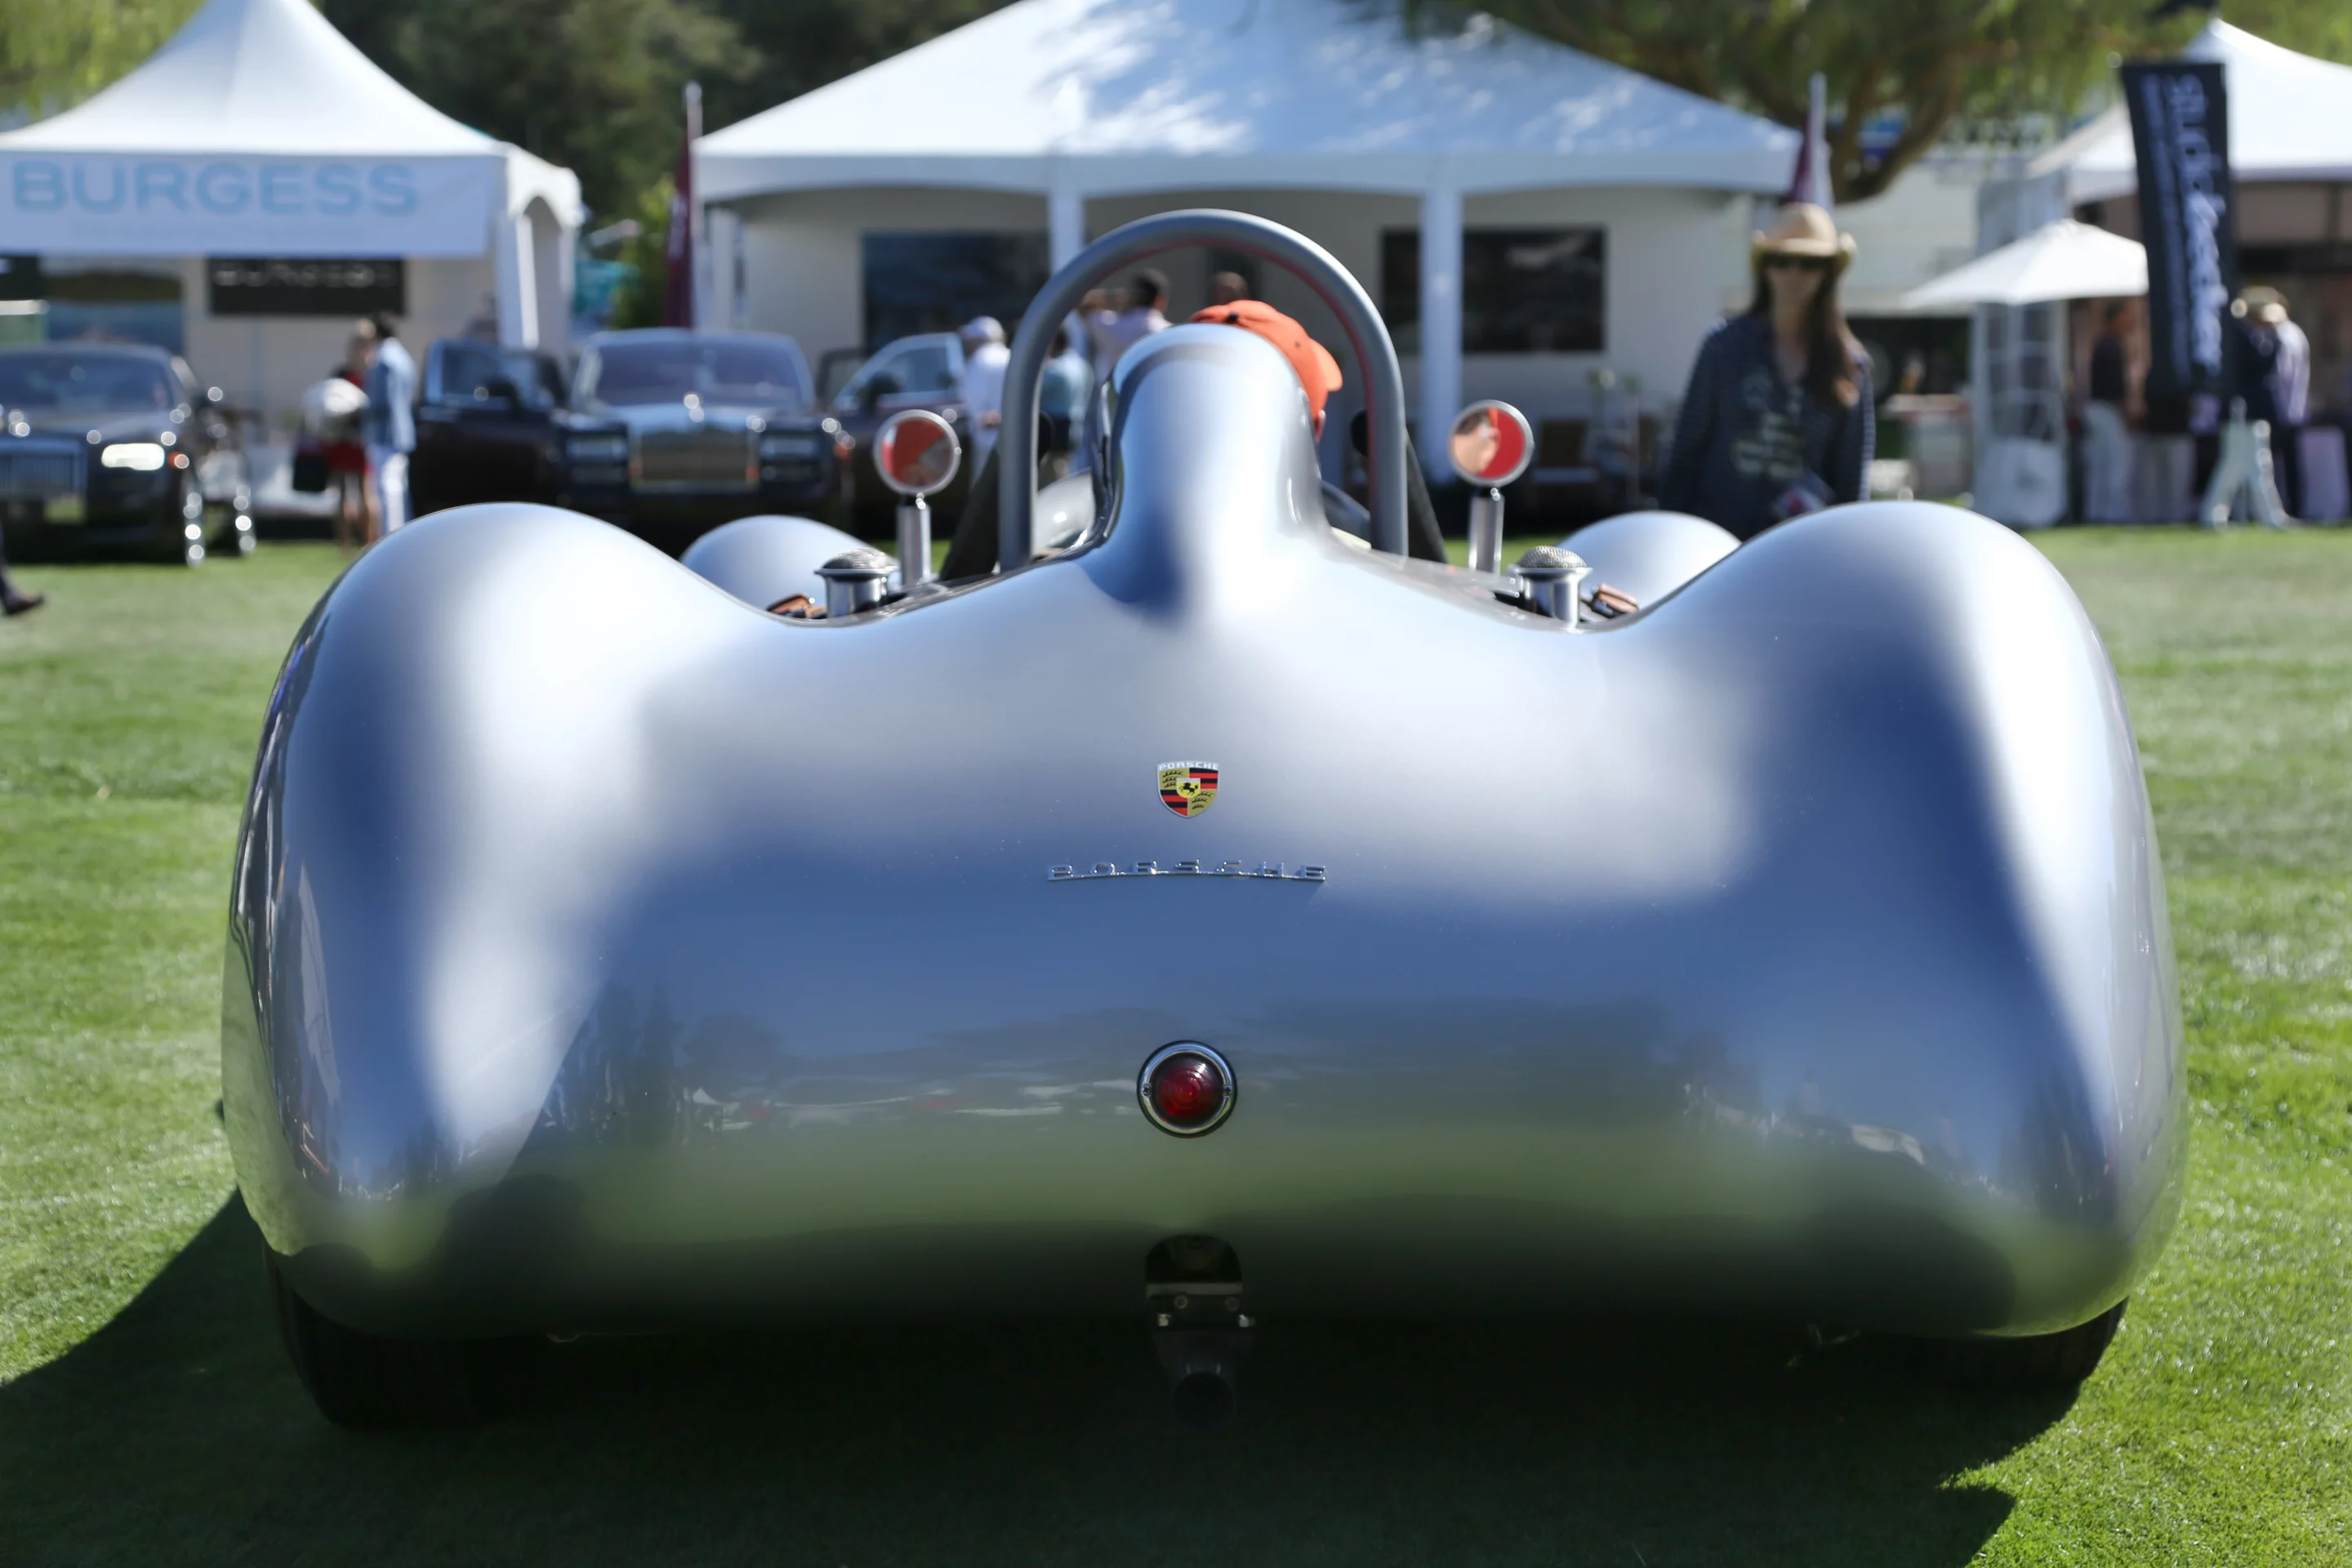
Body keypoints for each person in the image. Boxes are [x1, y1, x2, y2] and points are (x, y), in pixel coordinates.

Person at [1658, 203, 1873, 540]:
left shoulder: (1849, 364)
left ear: (1828, 272)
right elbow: (1687, 449)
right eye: (1781, 260)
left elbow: (1851, 480)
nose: (1794, 273)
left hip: (1801, 549)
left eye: (1810, 263)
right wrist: (1670, 534)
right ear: (1765, 268)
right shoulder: (1723, 347)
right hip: (1715, 543)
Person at [2241, 286, 2308, 518]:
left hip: (2283, 409)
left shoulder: (2283, 337)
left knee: (2282, 464)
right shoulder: (2287, 334)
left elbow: (2284, 375)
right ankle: (2283, 509)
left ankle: (2290, 510)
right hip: (2286, 409)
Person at [2082, 300, 2140, 523]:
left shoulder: (2103, 343)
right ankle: (2114, 512)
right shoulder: (2112, 345)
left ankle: (2096, 511)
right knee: (2117, 463)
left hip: (2097, 409)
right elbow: (2116, 388)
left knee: (2100, 464)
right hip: (2106, 409)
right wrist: (2125, 414)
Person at [361, 311, 416, 537]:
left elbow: (385, 400)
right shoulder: (402, 356)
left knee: (387, 488)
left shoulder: (384, 359)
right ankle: (401, 533)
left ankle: (391, 535)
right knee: (398, 487)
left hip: (387, 433)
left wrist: (361, 412)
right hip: (401, 431)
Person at [325, 322, 376, 550]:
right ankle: (362, 542)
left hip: (351, 439)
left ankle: (351, 543)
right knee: (356, 491)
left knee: (354, 492)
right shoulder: (372, 374)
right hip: (354, 439)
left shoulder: (349, 374)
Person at [1084, 269, 1170, 380]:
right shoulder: (1169, 331)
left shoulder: (1112, 325)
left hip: (1118, 393)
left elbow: (1085, 305)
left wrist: (1116, 297)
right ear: (1160, 300)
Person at [1039, 326, 1092, 479]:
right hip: (1075, 426)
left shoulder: (1054, 369)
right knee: (1064, 470)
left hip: (1054, 431)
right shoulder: (1081, 364)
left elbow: (1035, 393)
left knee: (1051, 478)